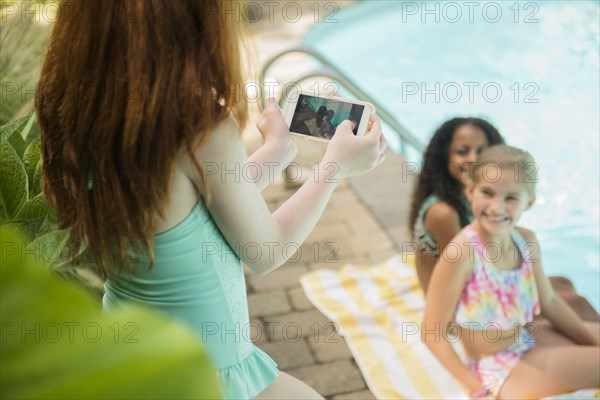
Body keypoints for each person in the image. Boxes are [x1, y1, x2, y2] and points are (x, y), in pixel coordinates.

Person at [35, 1, 388, 399]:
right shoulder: (197, 127)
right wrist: (334, 167)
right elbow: (265, 250)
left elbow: (196, 213)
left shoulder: (75, 111)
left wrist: (275, 152)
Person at [422, 145, 599, 399]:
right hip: (498, 367)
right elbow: (431, 331)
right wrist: (475, 387)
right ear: (470, 191)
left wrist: (591, 341)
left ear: (529, 202)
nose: (496, 207)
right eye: (488, 193)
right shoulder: (462, 253)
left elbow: (548, 302)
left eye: (510, 198)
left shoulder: (525, 240)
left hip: (526, 339)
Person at [409, 118, 599, 321]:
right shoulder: (443, 212)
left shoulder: (475, 197)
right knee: (575, 305)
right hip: (458, 307)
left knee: (564, 283)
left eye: (481, 152)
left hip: (479, 289)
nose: (473, 158)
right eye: (462, 151)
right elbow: (470, 278)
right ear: (443, 157)